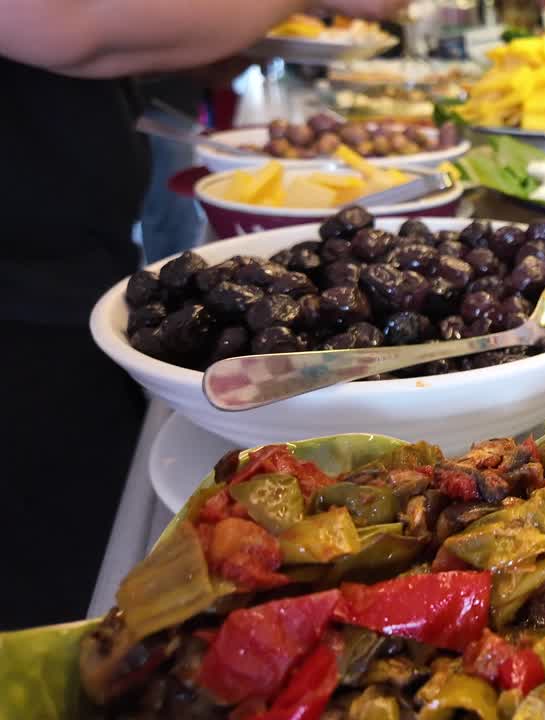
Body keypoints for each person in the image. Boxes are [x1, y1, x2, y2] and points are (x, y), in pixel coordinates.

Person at [0, 0, 410, 631]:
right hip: (22, 310)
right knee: (54, 583)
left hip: (61, 274)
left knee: (92, 537)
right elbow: (67, 24)